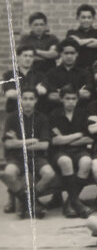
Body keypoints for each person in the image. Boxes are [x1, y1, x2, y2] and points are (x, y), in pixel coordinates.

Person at [2, 89, 55, 218]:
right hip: (16, 158)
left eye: (31, 99)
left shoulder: (42, 118)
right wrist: (31, 141)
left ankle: (27, 201)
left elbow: (44, 145)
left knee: (49, 173)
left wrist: (18, 143)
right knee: (8, 173)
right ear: (20, 100)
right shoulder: (12, 118)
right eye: (24, 98)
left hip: (36, 157)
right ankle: (30, 202)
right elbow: (8, 144)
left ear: (36, 100)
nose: (27, 102)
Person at [48, 85, 94, 217]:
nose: (71, 102)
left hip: (79, 150)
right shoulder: (54, 115)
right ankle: (76, 203)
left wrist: (65, 138)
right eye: (67, 98)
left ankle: (70, 202)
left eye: (74, 98)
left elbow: (89, 139)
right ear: (61, 99)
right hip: (59, 152)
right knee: (65, 161)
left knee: (86, 161)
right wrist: (78, 134)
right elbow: (55, 141)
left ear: (78, 99)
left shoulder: (83, 113)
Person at [66, 3, 97, 71]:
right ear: (78, 18)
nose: (86, 20)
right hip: (77, 69)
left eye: (89, 17)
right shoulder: (72, 33)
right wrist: (92, 40)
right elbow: (71, 46)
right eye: (83, 17)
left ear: (93, 18)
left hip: (95, 69)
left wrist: (80, 42)